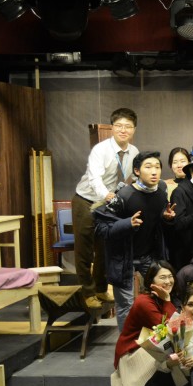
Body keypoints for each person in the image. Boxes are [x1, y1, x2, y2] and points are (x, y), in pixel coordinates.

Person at [93, 150, 176, 330]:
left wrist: (166, 217)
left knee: (159, 295)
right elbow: (101, 227)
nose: (154, 171)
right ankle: (128, 342)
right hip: (123, 258)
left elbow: (155, 220)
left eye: (157, 167)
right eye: (148, 167)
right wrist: (127, 223)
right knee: (126, 305)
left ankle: (156, 338)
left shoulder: (162, 190)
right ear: (137, 171)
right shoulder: (124, 195)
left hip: (148, 255)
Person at [72, 107, 139, 309]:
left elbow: (132, 177)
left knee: (104, 247)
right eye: (119, 125)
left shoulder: (134, 152)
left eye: (128, 126)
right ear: (112, 127)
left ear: (134, 129)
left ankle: (100, 288)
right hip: (86, 200)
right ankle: (87, 292)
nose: (123, 130)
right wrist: (107, 195)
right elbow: (94, 178)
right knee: (84, 248)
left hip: (108, 203)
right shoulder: (100, 149)